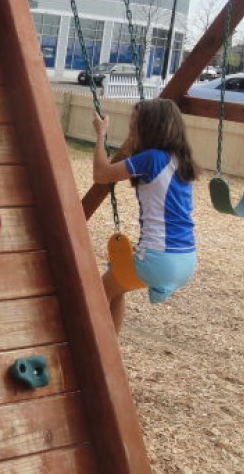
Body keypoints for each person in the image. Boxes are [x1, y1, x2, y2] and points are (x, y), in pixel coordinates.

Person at [92, 98, 198, 334]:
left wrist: (101, 134)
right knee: (117, 283)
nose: (131, 131)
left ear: (147, 128)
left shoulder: (151, 158)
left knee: (97, 293)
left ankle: (97, 352)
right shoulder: (180, 160)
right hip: (186, 259)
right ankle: (111, 351)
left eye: (134, 125)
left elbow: (101, 174)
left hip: (159, 258)